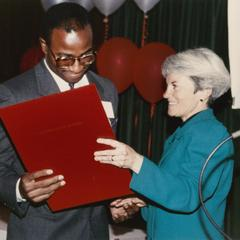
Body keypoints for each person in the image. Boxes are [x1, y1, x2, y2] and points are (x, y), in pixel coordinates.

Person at [0, 3, 122, 240]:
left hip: (95, 231)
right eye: (65, 59)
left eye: (86, 56)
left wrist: (117, 197)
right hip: (42, 232)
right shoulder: (14, 95)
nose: (77, 67)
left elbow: (106, 160)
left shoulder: (106, 90)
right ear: (45, 46)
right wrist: (19, 189)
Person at [94, 48, 234, 240]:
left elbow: (188, 196)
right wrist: (141, 201)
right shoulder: (183, 134)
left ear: (204, 91)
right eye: (167, 85)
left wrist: (135, 161)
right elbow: (172, 195)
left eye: (174, 86)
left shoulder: (211, 134)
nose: (166, 94)